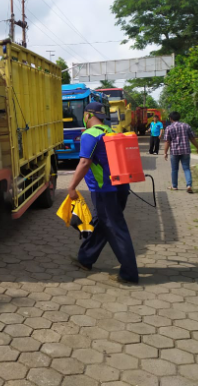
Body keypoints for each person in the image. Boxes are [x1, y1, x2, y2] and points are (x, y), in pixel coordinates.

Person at [67, 102, 139, 284]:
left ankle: (129, 273)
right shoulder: (112, 132)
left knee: (115, 228)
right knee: (102, 223)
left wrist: (72, 186)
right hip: (122, 187)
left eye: (84, 115)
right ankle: (85, 258)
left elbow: (84, 163)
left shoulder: (90, 134)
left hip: (104, 189)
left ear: (88, 115)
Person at [164, 111, 198, 193]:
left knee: (174, 169)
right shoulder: (186, 126)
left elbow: (167, 141)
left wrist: (165, 152)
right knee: (186, 168)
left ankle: (174, 186)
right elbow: (192, 138)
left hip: (174, 151)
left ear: (170, 118)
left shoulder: (169, 128)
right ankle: (189, 185)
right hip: (185, 151)